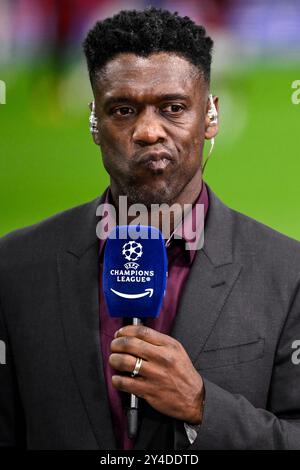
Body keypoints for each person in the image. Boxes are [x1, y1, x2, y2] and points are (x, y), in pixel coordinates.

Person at [0, 7, 300, 450]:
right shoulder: (15, 268)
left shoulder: (287, 272)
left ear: (212, 116)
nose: (147, 131)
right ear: (94, 123)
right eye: (122, 110)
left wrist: (203, 406)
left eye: (173, 108)